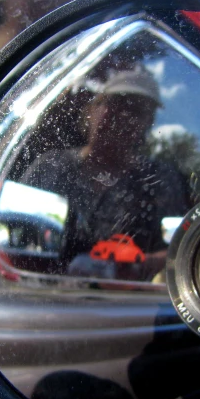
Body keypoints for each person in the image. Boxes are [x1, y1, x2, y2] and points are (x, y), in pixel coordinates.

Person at [21, 66, 190, 280]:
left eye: (137, 111)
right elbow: (11, 229)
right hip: (42, 295)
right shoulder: (51, 165)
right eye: (115, 103)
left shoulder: (159, 181)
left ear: (147, 124)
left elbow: (181, 248)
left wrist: (138, 266)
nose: (122, 116)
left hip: (124, 305)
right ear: (92, 110)